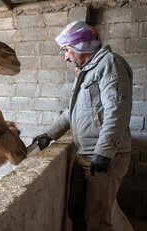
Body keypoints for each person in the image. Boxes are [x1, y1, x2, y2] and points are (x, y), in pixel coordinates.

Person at [32, 21, 133, 231]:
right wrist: (49, 135)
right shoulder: (86, 70)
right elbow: (72, 112)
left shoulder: (109, 64)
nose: (66, 57)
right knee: (76, 210)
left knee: (97, 218)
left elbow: (117, 111)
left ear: (80, 47)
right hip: (84, 154)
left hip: (105, 156)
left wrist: (104, 152)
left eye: (66, 50)